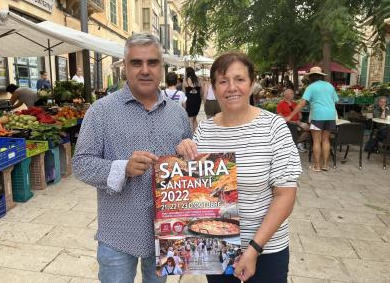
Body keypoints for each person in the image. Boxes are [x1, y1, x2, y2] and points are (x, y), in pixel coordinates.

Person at [72, 33, 192, 283]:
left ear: (162, 66)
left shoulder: (177, 115)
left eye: (152, 63)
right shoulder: (101, 111)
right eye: (137, 63)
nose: (145, 70)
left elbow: (187, 172)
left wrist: (189, 154)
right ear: (125, 66)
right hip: (118, 233)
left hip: (166, 232)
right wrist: (122, 168)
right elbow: (81, 164)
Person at [176, 52, 301, 283]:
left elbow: (285, 196)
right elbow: (199, 192)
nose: (232, 87)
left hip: (267, 251)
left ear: (252, 83)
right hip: (218, 247)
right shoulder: (203, 132)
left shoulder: (274, 128)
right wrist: (184, 156)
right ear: (213, 87)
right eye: (223, 81)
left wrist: (253, 249)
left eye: (239, 79)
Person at [286, 66, 338, 172]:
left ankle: (317, 166)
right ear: (321, 76)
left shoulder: (311, 87)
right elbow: (336, 100)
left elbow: (302, 103)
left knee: (316, 141)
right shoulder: (330, 86)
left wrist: (290, 116)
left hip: (318, 116)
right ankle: (325, 166)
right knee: (326, 140)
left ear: (311, 77)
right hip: (330, 115)